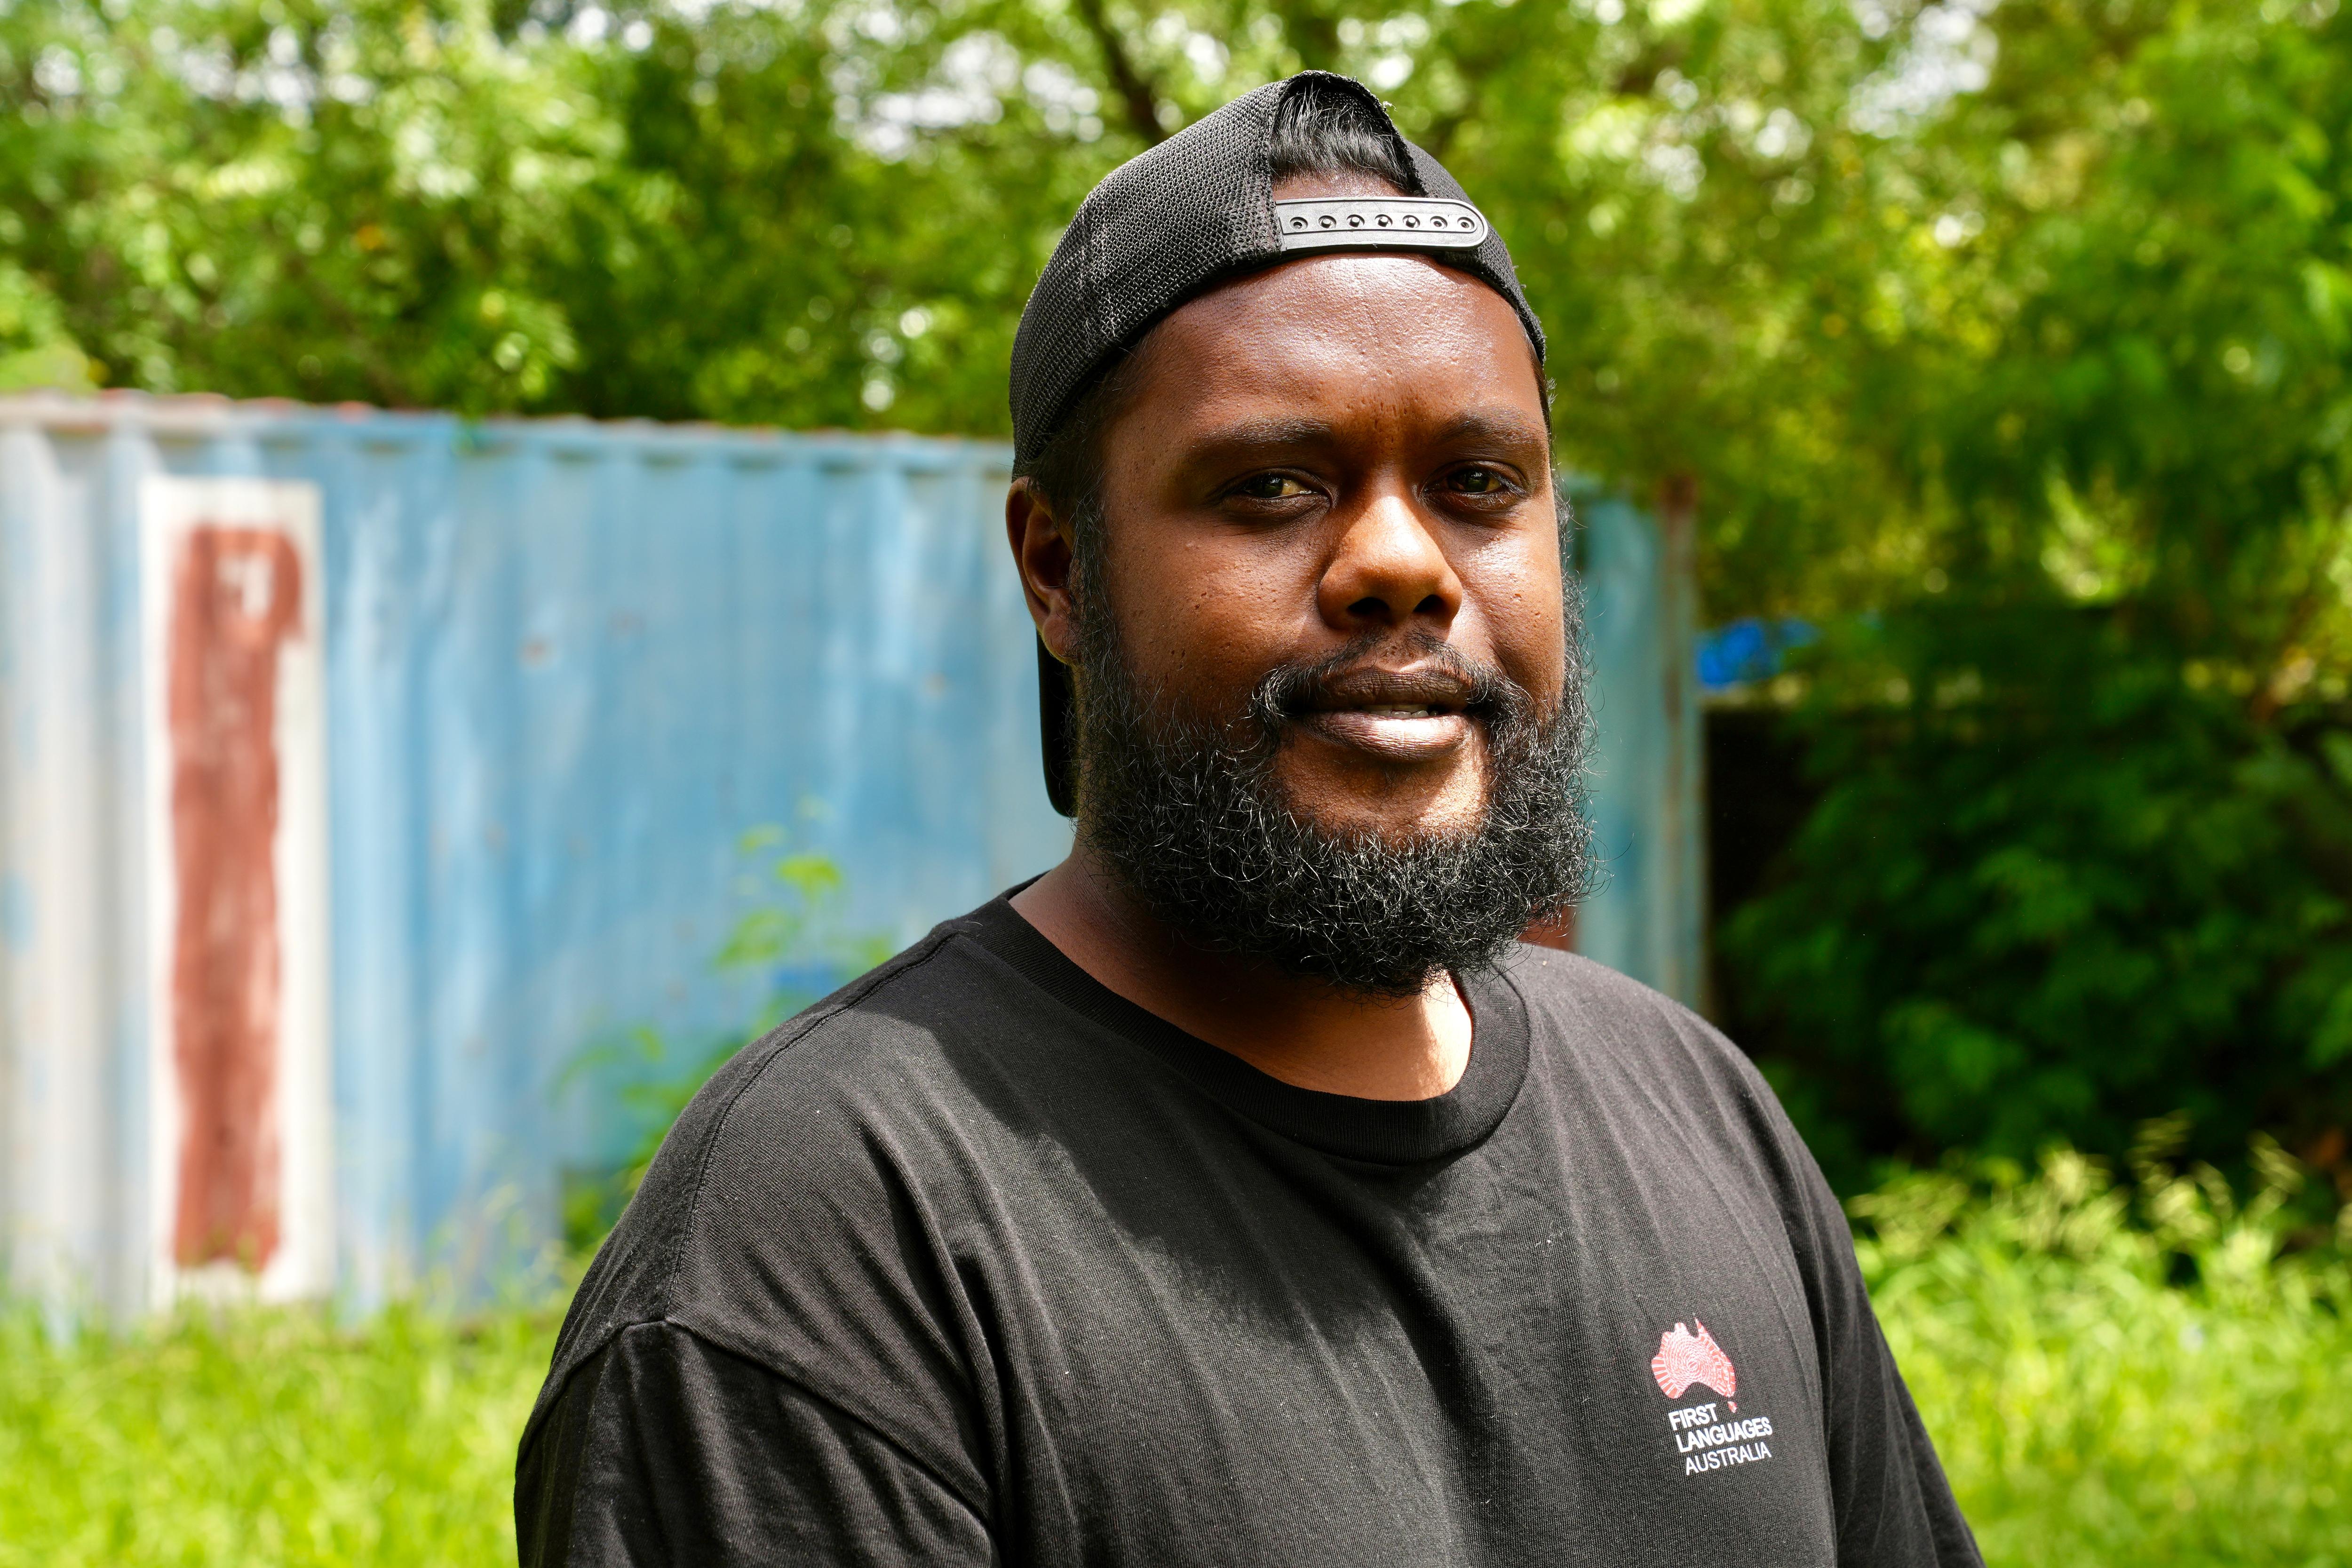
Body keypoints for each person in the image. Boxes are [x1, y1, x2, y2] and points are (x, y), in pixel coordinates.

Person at [515, 72, 1980, 1567]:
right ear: (1058, 571)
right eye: (1273, 487)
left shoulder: (1697, 1113)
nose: (1403, 563)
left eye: (1480, 483)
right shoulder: (826, 1250)